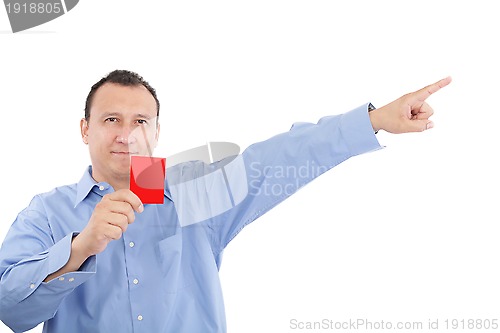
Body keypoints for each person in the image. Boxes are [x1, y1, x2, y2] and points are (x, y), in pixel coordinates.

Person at [0, 70, 451, 333]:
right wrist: (79, 248)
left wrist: (372, 121)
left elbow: (275, 160)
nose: (126, 133)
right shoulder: (47, 212)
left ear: (157, 133)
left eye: (141, 120)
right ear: (85, 129)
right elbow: (10, 310)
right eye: (111, 119)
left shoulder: (192, 194)